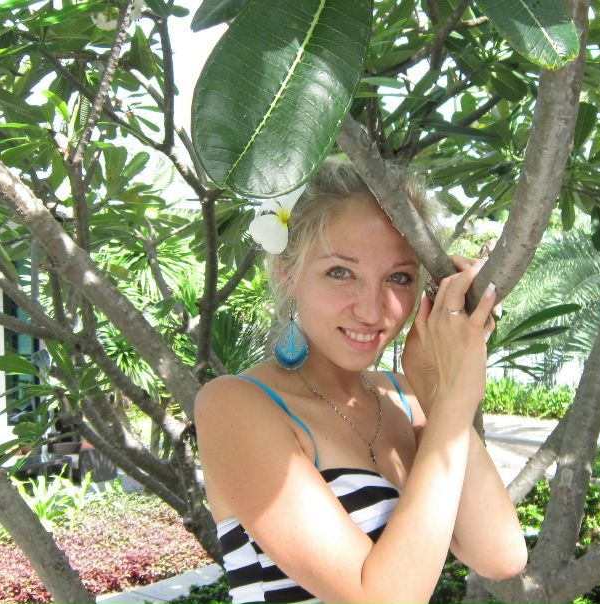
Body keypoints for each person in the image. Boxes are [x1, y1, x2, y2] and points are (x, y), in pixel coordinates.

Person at [195, 160, 527, 604]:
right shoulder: (235, 405)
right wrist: (455, 398)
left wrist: (433, 384)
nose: (372, 311)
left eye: (399, 278)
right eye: (340, 272)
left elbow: (500, 554)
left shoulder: (405, 399)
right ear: (288, 272)